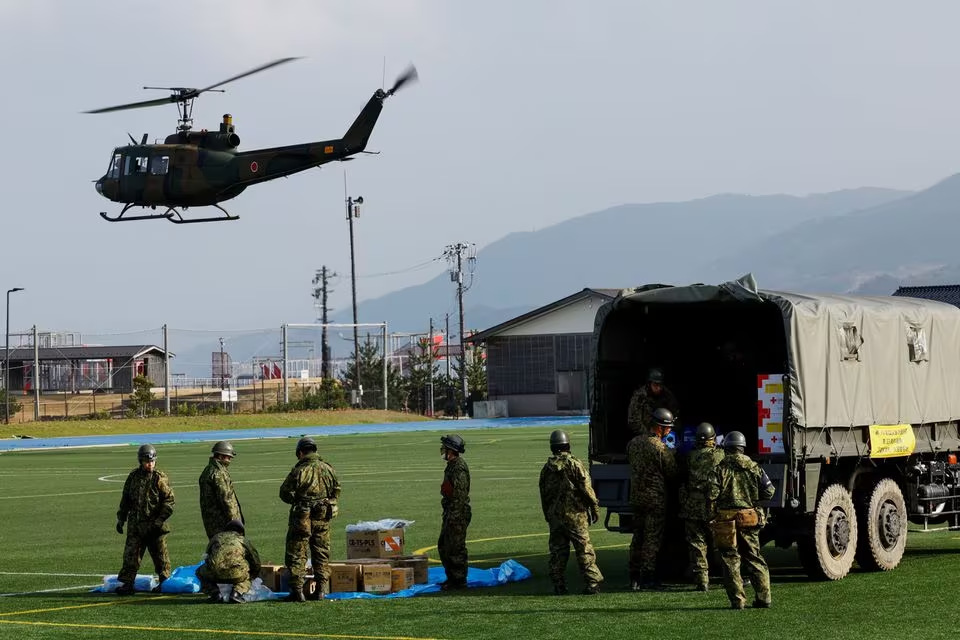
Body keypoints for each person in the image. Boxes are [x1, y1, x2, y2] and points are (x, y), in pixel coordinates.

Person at [709, 430, 776, 610]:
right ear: (742, 448)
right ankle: (764, 598)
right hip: (749, 518)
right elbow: (769, 492)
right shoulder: (755, 467)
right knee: (754, 557)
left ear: (727, 448)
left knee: (730, 559)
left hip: (725, 520)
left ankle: (737, 601)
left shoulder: (719, 469)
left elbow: (711, 494)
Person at [539, 430, 604, 595]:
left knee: (557, 552)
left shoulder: (546, 469)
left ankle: (558, 584)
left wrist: (549, 514)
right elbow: (586, 488)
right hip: (575, 516)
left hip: (555, 517)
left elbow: (544, 495)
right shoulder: (575, 464)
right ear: (567, 445)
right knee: (584, 549)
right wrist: (594, 507)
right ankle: (592, 583)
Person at [279, 436, 341, 602]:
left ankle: (297, 591)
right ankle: (321, 589)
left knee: (297, 551)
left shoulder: (299, 470)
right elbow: (336, 490)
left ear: (300, 452)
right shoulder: (328, 468)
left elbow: (284, 492)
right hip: (322, 515)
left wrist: (298, 501)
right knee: (321, 551)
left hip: (302, 516)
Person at [115, 443, 176, 595]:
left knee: (161, 557)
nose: (150, 464)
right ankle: (127, 584)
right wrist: (121, 519)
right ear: (140, 461)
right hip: (136, 526)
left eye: (152, 461)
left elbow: (169, 502)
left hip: (156, 527)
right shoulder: (133, 477)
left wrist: (159, 520)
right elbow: (126, 499)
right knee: (131, 556)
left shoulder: (159, 478)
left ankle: (164, 583)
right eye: (146, 461)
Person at [627, 407, 676, 590]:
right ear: (660, 428)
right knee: (652, 539)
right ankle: (648, 578)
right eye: (668, 427)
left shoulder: (633, 443)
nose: (670, 430)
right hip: (655, 500)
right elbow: (672, 472)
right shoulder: (659, 447)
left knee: (637, 537)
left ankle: (634, 577)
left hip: (636, 498)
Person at [678, 422, 725, 591]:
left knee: (697, 545)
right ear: (713, 438)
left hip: (692, 506)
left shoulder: (690, 456)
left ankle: (702, 581)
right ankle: (729, 576)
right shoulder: (719, 455)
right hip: (713, 506)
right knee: (721, 543)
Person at [196, 519, 262, 604]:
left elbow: (207, 556)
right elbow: (255, 562)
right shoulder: (242, 540)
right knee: (248, 574)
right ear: (241, 532)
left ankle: (215, 593)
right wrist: (253, 574)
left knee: (199, 571)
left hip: (214, 574)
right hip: (236, 574)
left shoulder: (216, 537)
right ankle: (236, 593)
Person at [438, 433, 471, 590]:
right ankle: (451, 577)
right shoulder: (451, 466)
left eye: (445, 448)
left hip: (457, 514)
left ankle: (459, 580)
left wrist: (455, 516)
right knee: (444, 545)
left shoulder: (459, 467)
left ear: (450, 450)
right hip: (450, 512)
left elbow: (460, 494)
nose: (443, 450)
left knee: (456, 548)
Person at [199, 440, 244, 539]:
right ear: (220, 456)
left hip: (212, 524)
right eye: (228, 457)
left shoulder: (207, 470)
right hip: (223, 525)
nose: (229, 460)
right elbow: (227, 500)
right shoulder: (218, 473)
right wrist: (235, 523)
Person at [627, 368, 680, 436]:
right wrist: (649, 433)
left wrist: (670, 430)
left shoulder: (667, 395)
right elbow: (633, 421)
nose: (658, 388)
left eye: (660, 385)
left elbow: (675, 415)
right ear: (649, 384)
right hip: (644, 434)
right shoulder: (640, 396)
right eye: (655, 385)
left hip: (664, 433)